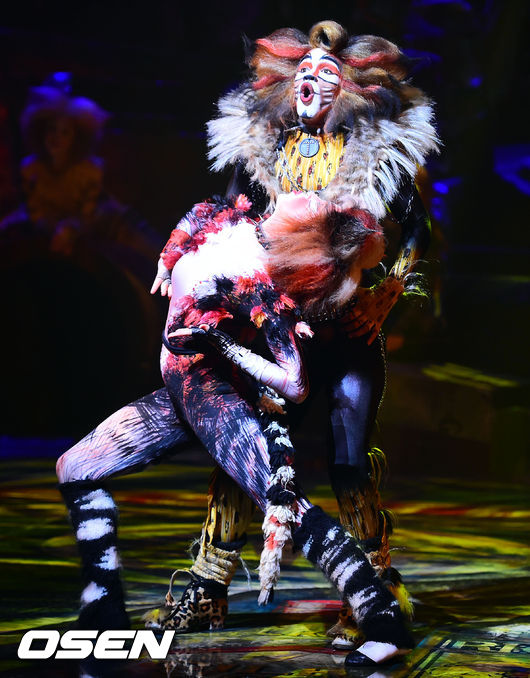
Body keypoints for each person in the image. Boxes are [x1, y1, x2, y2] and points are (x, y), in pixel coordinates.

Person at [149, 19, 438, 648]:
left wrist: (387, 293)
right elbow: (224, 217)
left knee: (348, 462)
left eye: (326, 73)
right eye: (303, 71)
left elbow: (417, 231)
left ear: (349, 91)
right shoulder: (262, 152)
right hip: (278, 332)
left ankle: (376, 586)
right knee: (245, 456)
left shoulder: (377, 155)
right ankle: (208, 583)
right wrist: (192, 267)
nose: (311, 80)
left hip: (347, 335)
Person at [57, 190, 414, 667]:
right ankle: (102, 611)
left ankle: (385, 622)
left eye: (320, 208)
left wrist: (227, 348)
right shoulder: (233, 220)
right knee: (75, 468)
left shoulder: (264, 291)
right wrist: (166, 260)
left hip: (214, 398)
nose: (310, 193)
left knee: (285, 505)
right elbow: (198, 212)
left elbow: (297, 384)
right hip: (179, 389)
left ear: (306, 241)